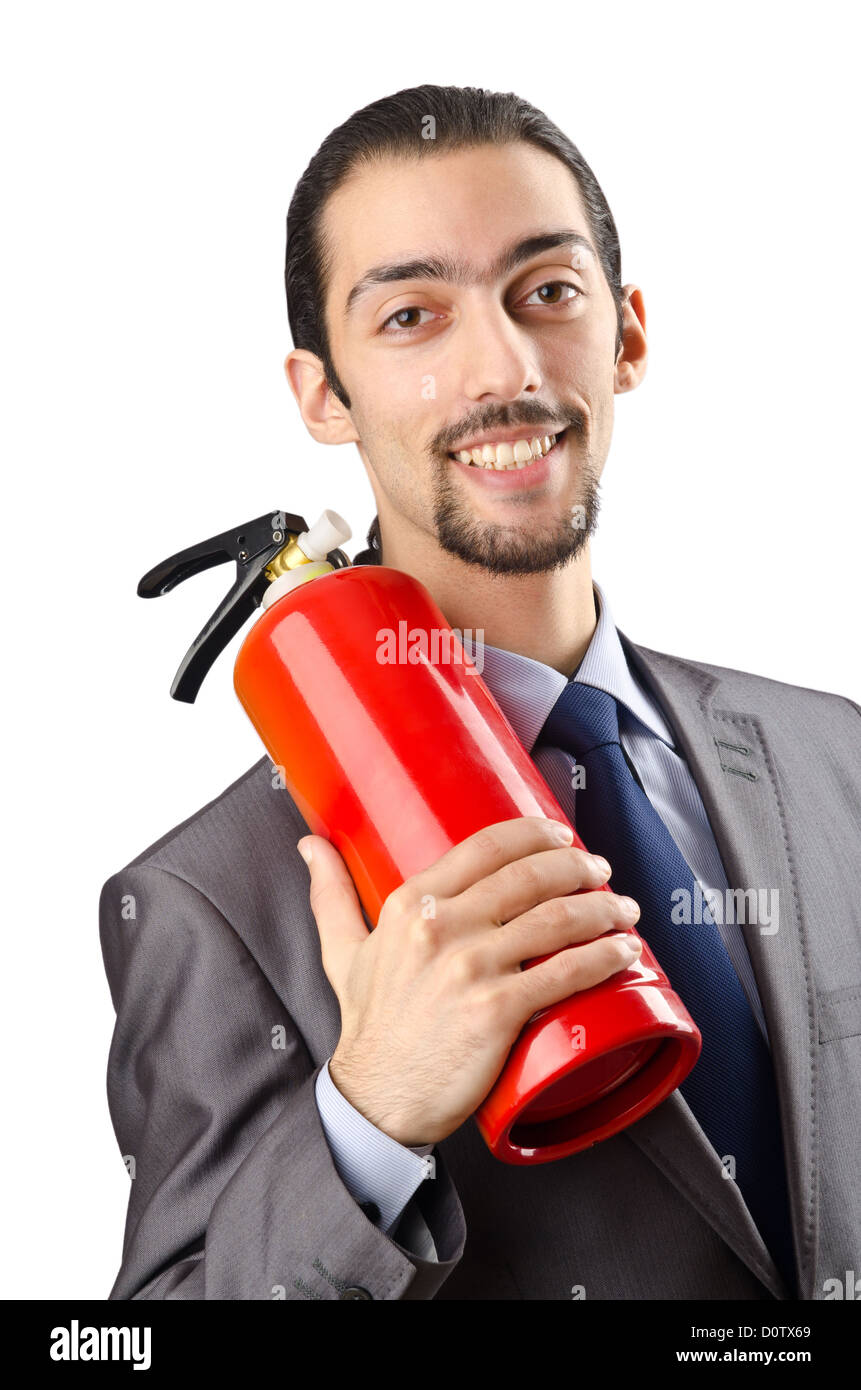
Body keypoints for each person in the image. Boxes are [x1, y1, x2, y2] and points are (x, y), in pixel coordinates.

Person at [99, 84, 861, 1301]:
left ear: (628, 333)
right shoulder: (212, 895)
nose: (503, 365)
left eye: (547, 292)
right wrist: (372, 1112)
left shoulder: (836, 757)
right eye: (412, 315)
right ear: (322, 395)